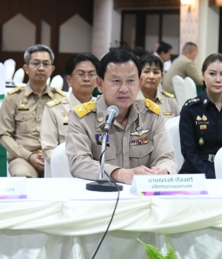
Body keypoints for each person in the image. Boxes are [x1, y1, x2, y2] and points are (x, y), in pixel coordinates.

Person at [66, 49, 177, 184]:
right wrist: (119, 174)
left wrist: (163, 170)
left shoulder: (151, 114)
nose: (124, 89)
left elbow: (166, 157)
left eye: (130, 81)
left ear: (139, 84)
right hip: (101, 194)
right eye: (116, 81)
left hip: (142, 192)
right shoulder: (81, 117)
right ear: (100, 84)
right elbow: (78, 163)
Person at [0, 44, 64, 177]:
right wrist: (28, 156)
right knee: (22, 176)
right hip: (23, 158)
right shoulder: (13, 98)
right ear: (26, 69)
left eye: (46, 64)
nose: (41, 68)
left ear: (52, 69)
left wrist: (53, 156)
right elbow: (4, 135)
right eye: (36, 63)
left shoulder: (61, 99)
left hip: (53, 158)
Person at [179, 54, 222, 178]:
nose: (218, 80)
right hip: (197, 171)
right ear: (203, 76)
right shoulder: (191, 109)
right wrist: (212, 177)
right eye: (212, 74)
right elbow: (189, 153)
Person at [40, 53, 99, 165]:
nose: (86, 79)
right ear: (69, 80)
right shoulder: (54, 109)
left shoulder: (104, 108)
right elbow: (49, 149)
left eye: (91, 74)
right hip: (66, 168)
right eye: (81, 74)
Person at [138, 54, 180, 119]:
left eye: (156, 72)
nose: (151, 76)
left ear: (161, 77)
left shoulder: (170, 101)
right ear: (138, 76)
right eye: (146, 72)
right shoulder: (131, 101)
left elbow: (179, 123)